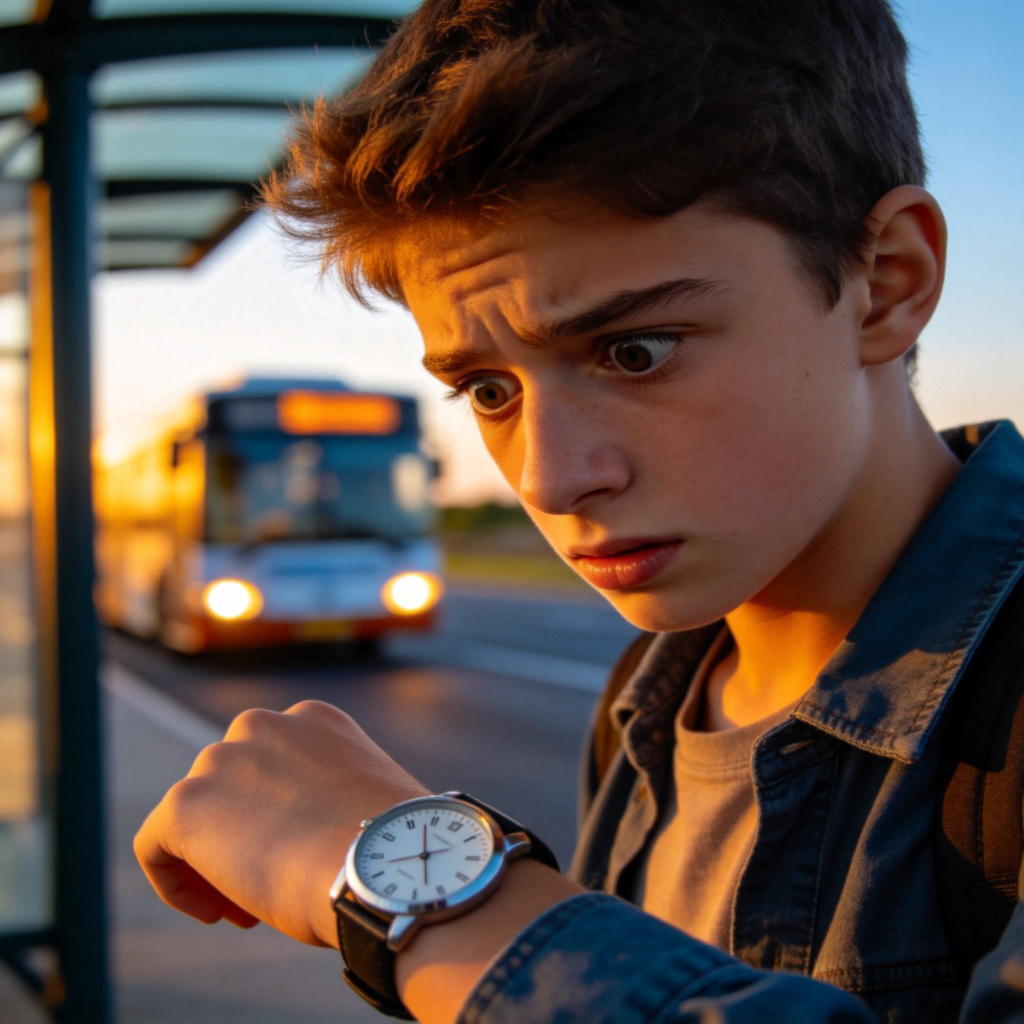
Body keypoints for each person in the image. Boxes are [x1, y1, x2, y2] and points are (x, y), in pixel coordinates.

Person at [134, 1, 1024, 1021]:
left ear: (887, 285)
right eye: (488, 391)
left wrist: (432, 900)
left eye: (634, 351)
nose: (550, 481)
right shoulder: (648, 692)